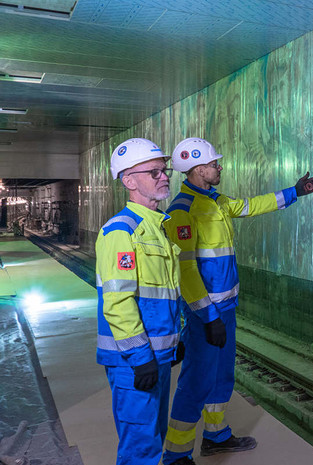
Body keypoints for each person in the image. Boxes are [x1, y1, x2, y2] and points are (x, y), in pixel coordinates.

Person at [162, 138, 313, 464]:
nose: (220, 167)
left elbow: (248, 206)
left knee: (222, 376)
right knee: (196, 380)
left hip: (226, 309)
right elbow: (187, 272)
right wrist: (208, 317)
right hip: (204, 313)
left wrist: (294, 192)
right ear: (198, 168)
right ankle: (176, 455)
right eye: (215, 164)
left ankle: (216, 436)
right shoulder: (182, 211)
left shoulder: (215, 201)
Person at [95, 137, 184, 465]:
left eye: (164, 171)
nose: (163, 177)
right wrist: (140, 356)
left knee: (153, 437)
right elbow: (118, 304)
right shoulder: (122, 231)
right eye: (153, 172)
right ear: (128, 181)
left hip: (157, 355)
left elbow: (165, 293)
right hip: (133, 360)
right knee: (141, 449)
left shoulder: (158, 227)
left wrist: (175, 341)